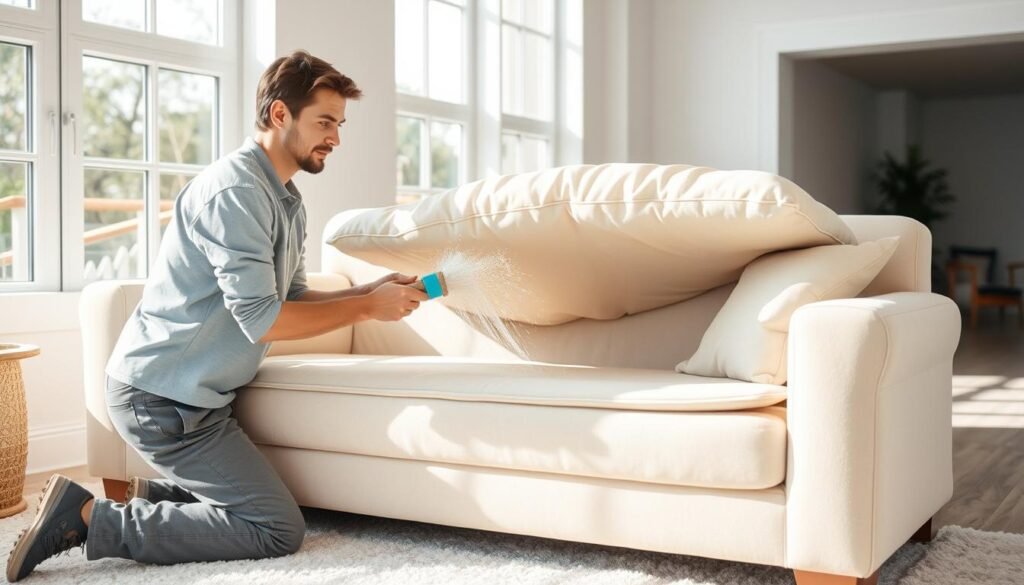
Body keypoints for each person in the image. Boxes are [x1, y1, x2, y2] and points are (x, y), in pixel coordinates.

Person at [6, 50, 428, 582]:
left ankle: (148, 494)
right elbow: (264, 321)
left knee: (270, 507)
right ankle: (89, 519)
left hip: (197, 398)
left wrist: (368, 289)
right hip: (161, 398)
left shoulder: (286, 198)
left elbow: (289, 298)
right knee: (277, 528)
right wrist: (366, 307)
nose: (336, 138)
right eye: (325, 122)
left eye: (339, 124)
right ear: (280, 115)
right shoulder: (236, 192)